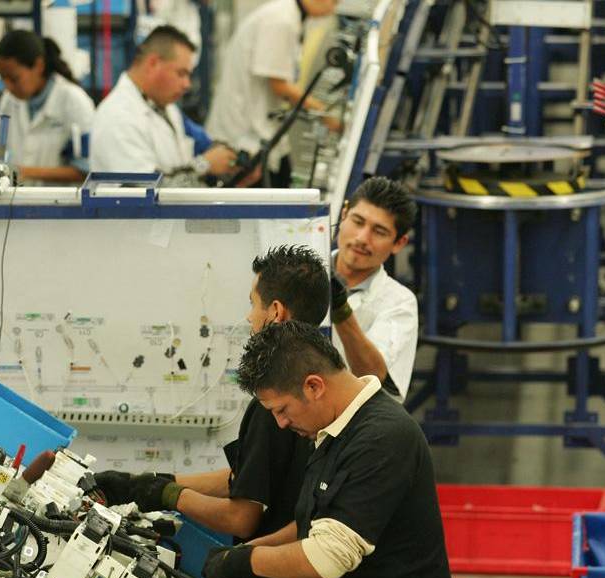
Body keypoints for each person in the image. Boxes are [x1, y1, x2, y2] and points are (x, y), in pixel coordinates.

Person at [95, 245, 330, 578]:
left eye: (253, 304)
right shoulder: (316, 391)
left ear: (275, 312)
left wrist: (169, 495)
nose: (248, 317)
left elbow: (243, 515)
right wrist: (151, 482)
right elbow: (246, 479)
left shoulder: (274, 404)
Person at [203, 320, 454, 578]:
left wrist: (246, 562)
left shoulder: (382, 438)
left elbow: (328, 555)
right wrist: (244, 551)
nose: (280, 424)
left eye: (281, 410)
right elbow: (312, 525)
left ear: (314, 386)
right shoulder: (333, 431)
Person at [205, 0, 339, 187]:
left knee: (283, 180)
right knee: (273, 191)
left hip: (260, 129)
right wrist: (325, 114)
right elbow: (279, 85)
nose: (333, 9)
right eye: (334, 2)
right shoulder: (281, 20)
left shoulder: (290, 16)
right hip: (243, 134)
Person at [89, 26, 238, 184]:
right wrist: (203, 165)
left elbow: (200, 145)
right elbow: (144, 190)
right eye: (181, 73)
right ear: (153, 63)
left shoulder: (165, 108)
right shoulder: (118, 117)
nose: (187, 84)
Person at [330, 176, 419, 401]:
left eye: (379, 231)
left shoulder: (400, 303)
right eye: (358, 222)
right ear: (343, 214)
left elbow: (371, 376)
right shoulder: (300, 270)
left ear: (399, 243)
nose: (362, 238)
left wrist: (339, 308)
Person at [0, 30, 95, 184]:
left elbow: (85, 170)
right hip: (16, 196)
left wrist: (25, 172)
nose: (7, 86)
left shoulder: (74, 101)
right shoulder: (8, 101)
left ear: (39, 66)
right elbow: (0, 153)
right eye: (3, 78)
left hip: (58, 198)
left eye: (14, 78)